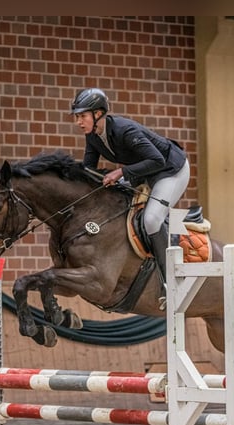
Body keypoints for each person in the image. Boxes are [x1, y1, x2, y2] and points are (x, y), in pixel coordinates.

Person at [70, 87, 190, 296]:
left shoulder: (125, 130)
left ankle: (171, 278)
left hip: (170, 170)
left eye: (82, 116)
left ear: (98, 114)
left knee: (151, 220)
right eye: (77, 116)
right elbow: (89, 170)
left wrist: (120, 172)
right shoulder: (93, 136)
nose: (78, 122)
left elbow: (157, 160)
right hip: (144, 172)